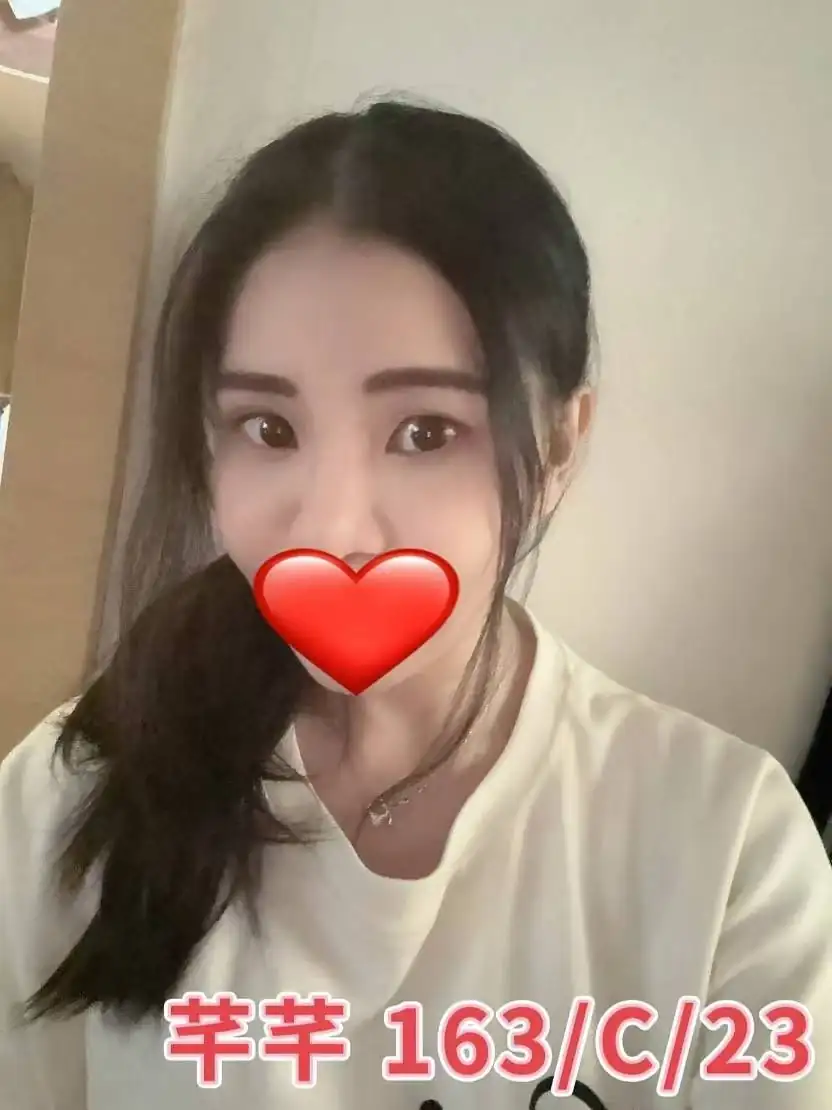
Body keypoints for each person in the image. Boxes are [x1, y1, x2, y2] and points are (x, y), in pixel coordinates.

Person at [0, 99, 830, 1110]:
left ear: (558, 446)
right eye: (267, 427)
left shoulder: (726, 852)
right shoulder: (65, 801)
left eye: (425, 433)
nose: (331, 526)